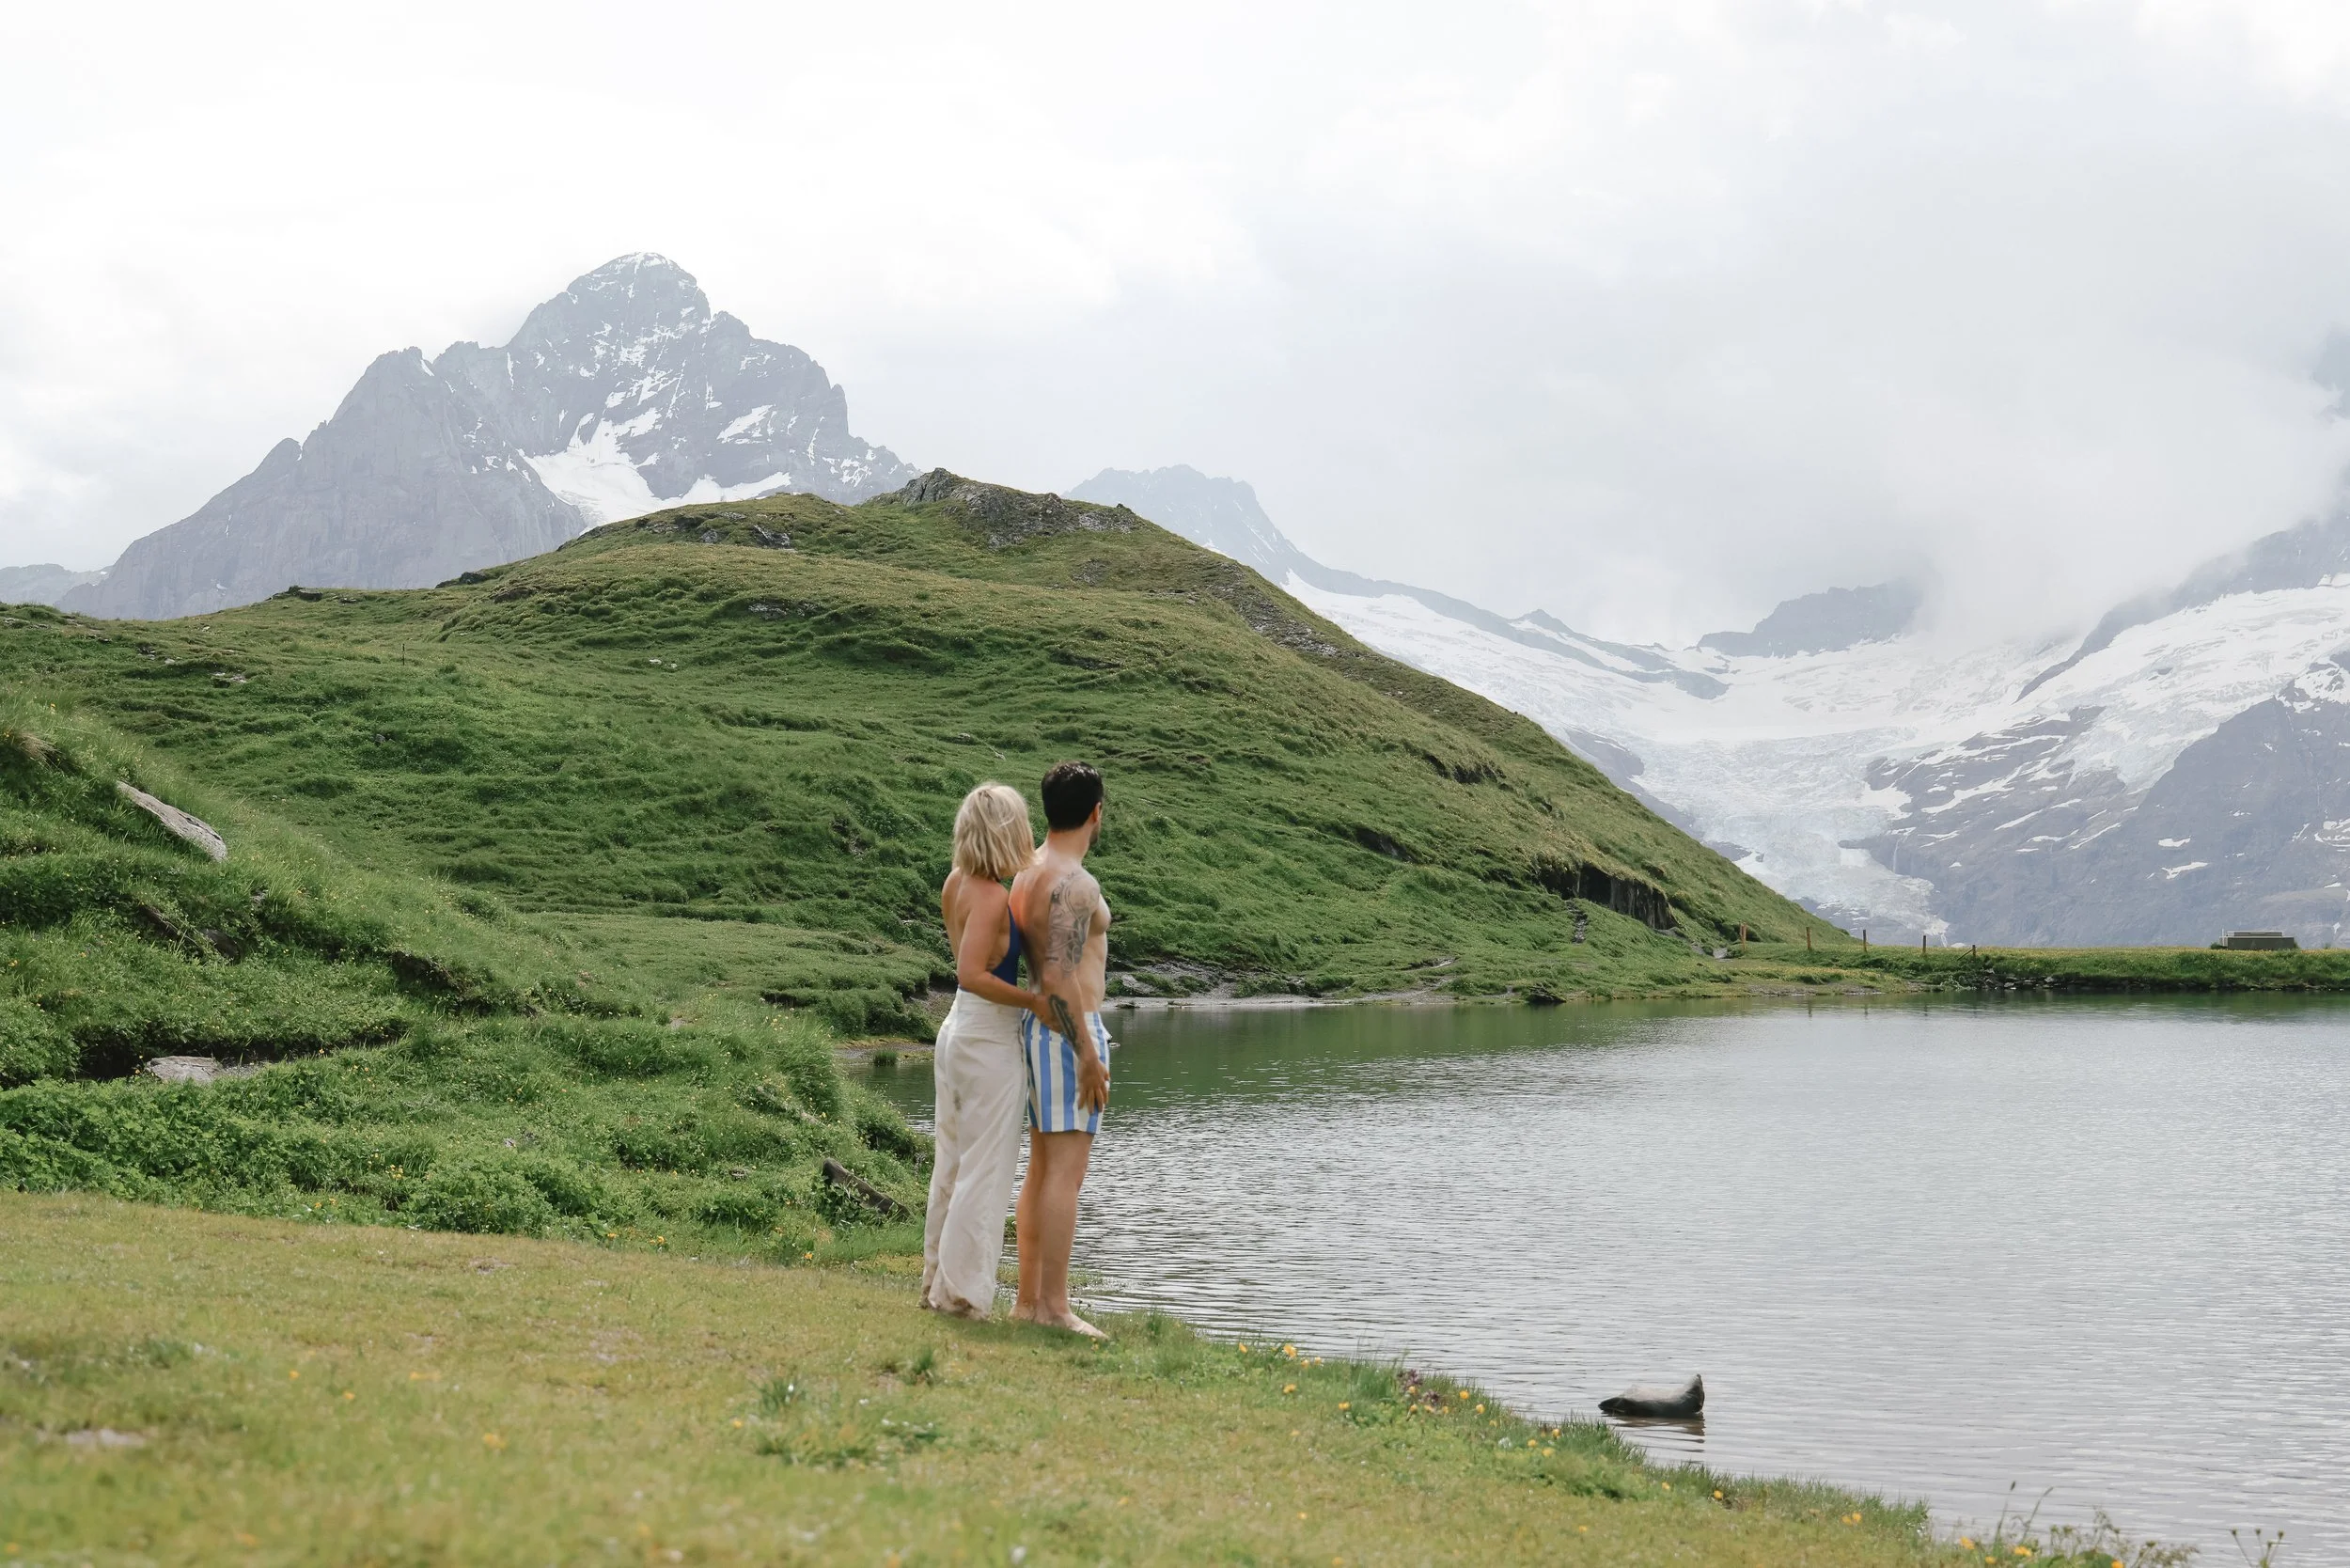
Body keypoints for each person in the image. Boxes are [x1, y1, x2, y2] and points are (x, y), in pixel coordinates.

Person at [919, 782, 1047, 1318]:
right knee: (985, 1166)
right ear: (1005, 831)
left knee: (950, 1159)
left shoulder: (958, 882)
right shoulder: (992, 896)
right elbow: (970, 974)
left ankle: (936, 1279)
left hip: (955, 1033)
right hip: (987, 1036)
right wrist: (1034, 1003)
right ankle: (962, 1292)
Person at [1009, 760, 1114, 1338]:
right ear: (1096, 812)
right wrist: (1088, 1055)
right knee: (1065, 1175)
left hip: (1040, 1029)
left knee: (1043, 1168)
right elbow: (1058, 971)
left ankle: (1029, 1302)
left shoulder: (1028, 870)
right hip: (1069, 1029)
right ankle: (1054, 1307)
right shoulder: (1075, 881)